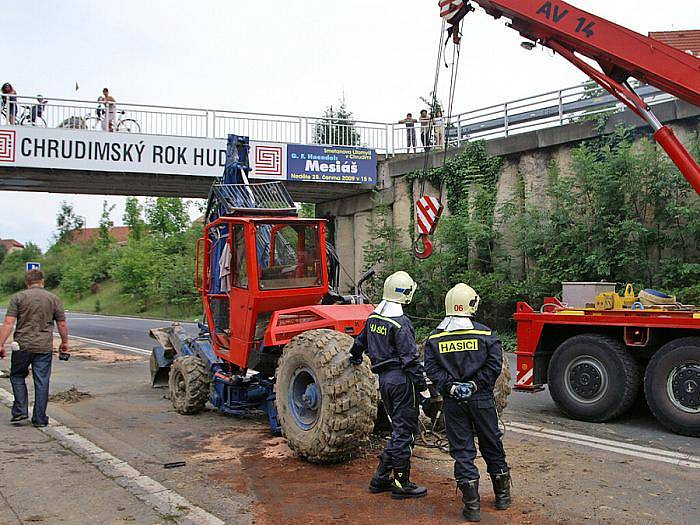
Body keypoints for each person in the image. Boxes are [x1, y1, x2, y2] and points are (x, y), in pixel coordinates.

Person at [424, 283, 511, 522]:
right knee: (491, 444)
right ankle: (502, 496)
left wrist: (450, 386)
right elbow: (494, 366)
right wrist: (475, 385)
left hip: (453, 402)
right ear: (472, 304)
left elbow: (431, 369)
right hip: (481, 399)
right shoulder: (486, 334)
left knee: (463, 452)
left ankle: (472, 507)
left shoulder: (435, 337)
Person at [350, 271, 428, 500]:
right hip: (401, 381)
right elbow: (410, 360)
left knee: (398, 430)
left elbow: (359, 343)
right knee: (406, 432)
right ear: (406, 294)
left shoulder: (375, 318)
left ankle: (381, 477)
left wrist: (354, 358)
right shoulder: (401, 323)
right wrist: (423, 388)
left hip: (384, 381)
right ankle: (401, 482)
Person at [0, 269, 69, 427]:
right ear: (42, 281)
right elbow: (62, 324)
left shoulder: (18, 297)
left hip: (21, 346)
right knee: (42, 381)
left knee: (17, 376)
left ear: (27, 282)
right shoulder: (53, 298)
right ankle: (39, 418)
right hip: (43, 347)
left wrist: (0, 344)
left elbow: (9, 323)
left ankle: (20, 412)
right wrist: (64, 342)